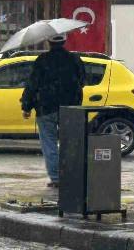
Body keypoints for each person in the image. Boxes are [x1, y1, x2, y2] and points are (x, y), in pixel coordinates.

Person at [20, 34, 86, 188]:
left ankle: (56, 178)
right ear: (64, 41)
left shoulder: (42, 61)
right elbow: (82, 81)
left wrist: (26, 106)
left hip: (46, 108)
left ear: (48, 42)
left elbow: (32, 85)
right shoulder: (74, 59)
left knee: (49, 143)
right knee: (69, 142)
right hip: (71, 107)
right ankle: (71, 175)